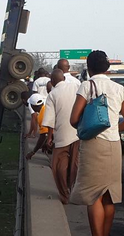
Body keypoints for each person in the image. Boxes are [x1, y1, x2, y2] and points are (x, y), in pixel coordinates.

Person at [69, 50, 124, 236]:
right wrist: (113, 128)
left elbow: (73, 118)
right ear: (107, 68)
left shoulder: (87, 86)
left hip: (94, 145)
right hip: (115, 145)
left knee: (93, 195)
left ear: (89, 67)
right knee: (108, 196)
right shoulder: (120, 88)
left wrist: (90, 127)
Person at [41, 69, 80, 204]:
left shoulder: (53, 94)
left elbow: (50, 121)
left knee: (59, 165)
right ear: (64, 77)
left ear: (52, 82)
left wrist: (49, 138)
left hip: (62, 135)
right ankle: (73, 189)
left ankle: (64, 194)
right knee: (74, 163)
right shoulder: (76, 86)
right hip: (78, 133)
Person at [25, 94, 49, 160]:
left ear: (33, 106)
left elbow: (44, 135)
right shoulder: (45, 108)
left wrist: (33, 152)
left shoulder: (42, 115)